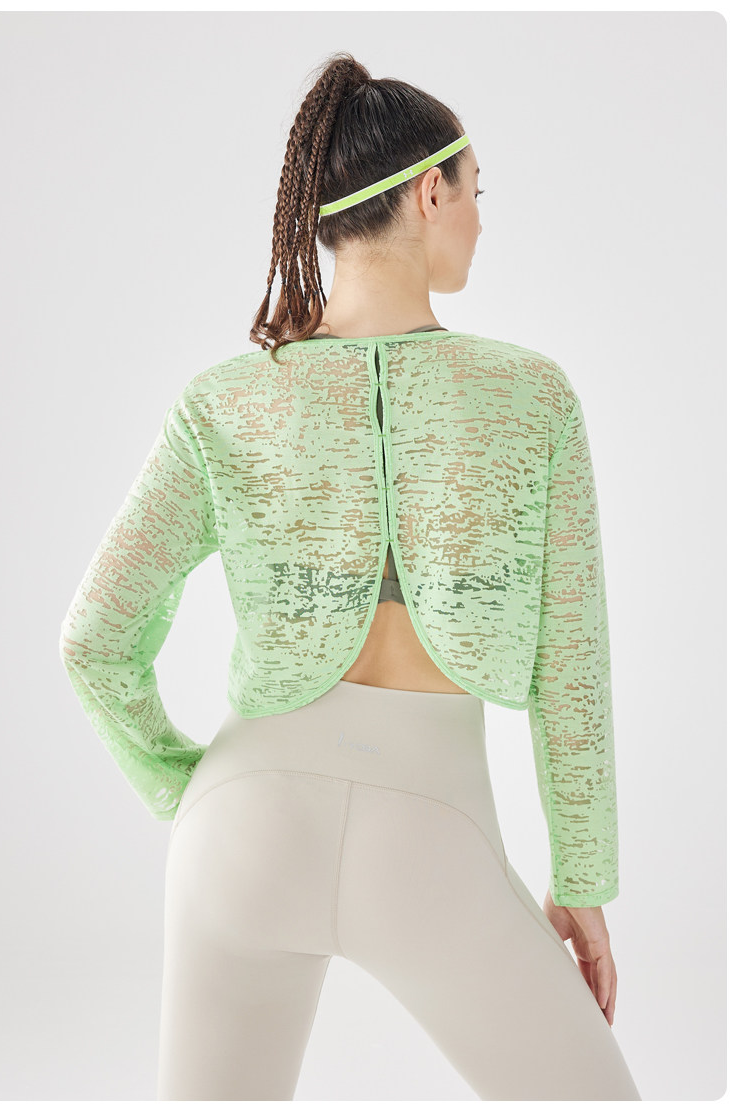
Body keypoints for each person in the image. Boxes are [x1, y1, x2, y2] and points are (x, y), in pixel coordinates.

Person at [59, 51, 642, 1101]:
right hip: (430, 834)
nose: (481, 220)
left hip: (237, 829)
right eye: (477, 191)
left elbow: (94, 640)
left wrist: (190, 791)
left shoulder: (224, 402)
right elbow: (572, 669)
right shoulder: (531, 398)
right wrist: (582, 881)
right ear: (430, 193)